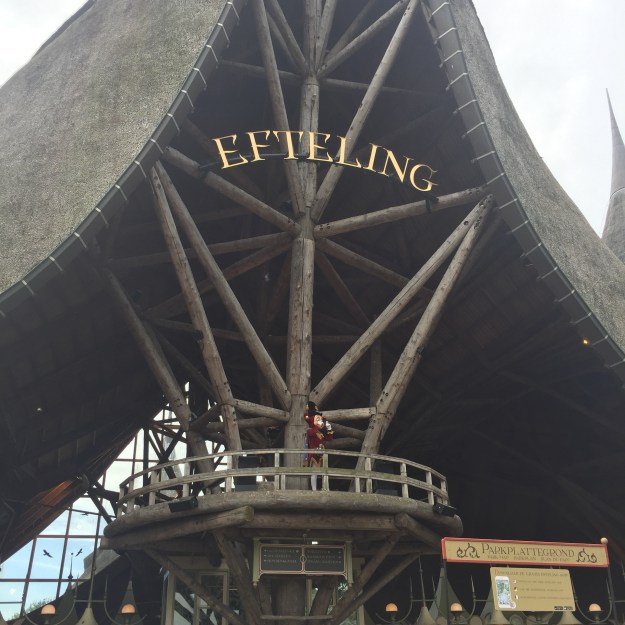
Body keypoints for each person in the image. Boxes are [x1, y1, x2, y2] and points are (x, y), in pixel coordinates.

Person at [304, 401, 333, 491]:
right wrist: (317, 425)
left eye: (320, 420)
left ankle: (325, 488)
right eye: (318, 420)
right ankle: (314, 490)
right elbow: (311, 432)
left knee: (323, 472)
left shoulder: (320, 432)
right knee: (314, 473)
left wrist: (329, 429)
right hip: (314, 453)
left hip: (321, 453)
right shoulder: (310, 430)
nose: (320, 421)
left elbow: (329, 439)